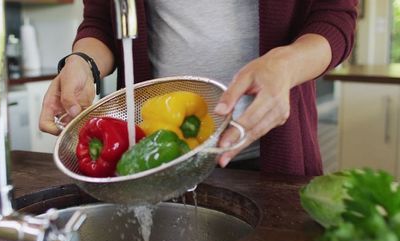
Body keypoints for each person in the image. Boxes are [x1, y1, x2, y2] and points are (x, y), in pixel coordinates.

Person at [39, 0, 358, 176]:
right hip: (155, 157)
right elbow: (102, 22)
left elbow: (335, 17)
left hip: (267, 156)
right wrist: (82, 61)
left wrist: (288, 64)